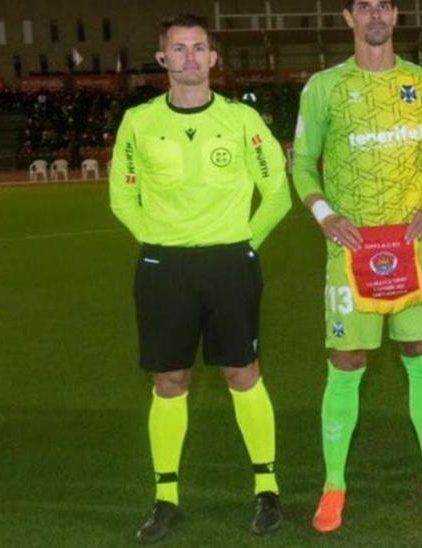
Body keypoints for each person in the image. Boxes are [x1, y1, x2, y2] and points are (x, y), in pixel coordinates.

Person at [108, 13, 291, 544]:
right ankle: (166, 497)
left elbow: (277, 192)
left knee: (243, 372)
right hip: (164, 268)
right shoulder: (139, 121)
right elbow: (122, 195)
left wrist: (246, 244)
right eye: (179, 48)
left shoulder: (240, 119)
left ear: (213, 58)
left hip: (231, 262)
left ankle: (267, 489)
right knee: (169, 381)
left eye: (199, 47)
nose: (190, 56)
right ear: (163, 58)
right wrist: (157, 241)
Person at [291, 0, 422, 532]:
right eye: (363, 5)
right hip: (350, 249)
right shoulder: (324, 87)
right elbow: (302, 162)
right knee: (346, 361)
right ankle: (334, 485)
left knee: (420, 352)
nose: (374, 14)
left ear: (395, 15)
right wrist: (325, 215)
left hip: (412, 245)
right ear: (348, 17)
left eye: (383, 4)